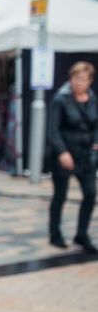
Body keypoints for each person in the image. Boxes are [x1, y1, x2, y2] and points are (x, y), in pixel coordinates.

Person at [47, 62, 98, 253]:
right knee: (60, 194)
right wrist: (62, 152)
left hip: (87, 155)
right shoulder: (60, 100)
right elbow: (53, 129)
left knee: (91, 193)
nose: (78, 83)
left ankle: (82, 234)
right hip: (65, 154)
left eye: (83, 79)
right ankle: (55, 234)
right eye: (75, 78)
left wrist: (96, 143)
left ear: (90, 81)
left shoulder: (93, 100)